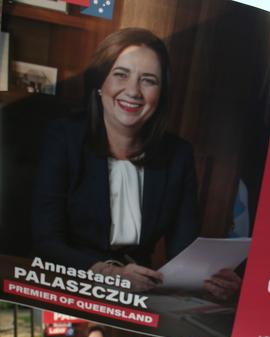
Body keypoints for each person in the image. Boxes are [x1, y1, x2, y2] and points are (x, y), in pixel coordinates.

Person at [31, 28, 239, 298]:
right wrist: (108, 274)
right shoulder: (63, 137)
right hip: (68, 284)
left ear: (160, 94)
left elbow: (184, 252)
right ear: (99, 82)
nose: (133, 91)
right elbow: (46, 241)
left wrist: (210, 279)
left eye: (148, 80)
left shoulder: (178, 155)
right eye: (121, 74)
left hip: (139, 292)